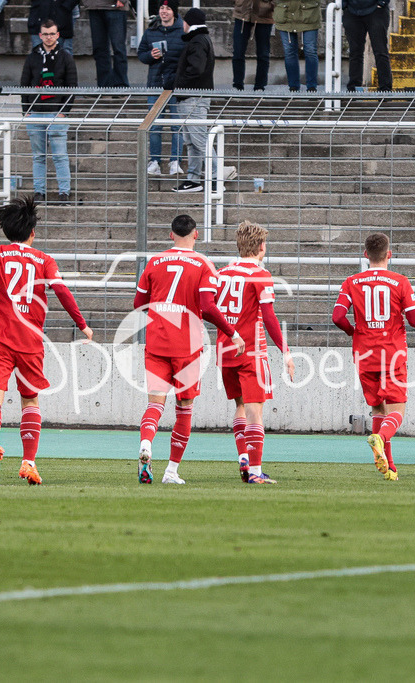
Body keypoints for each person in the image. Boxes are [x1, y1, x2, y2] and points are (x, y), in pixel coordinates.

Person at [0, 195, 93, 486]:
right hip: (30, 342)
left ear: (7, 231)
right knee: (30, 400)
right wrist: (82, 324)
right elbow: (62, 292)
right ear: (32, 232)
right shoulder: (44, 260)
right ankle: (28, 462)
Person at [134, 214, 245, 485]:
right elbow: (208, 306)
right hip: (187, 345)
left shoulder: (154, 262)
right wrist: (232, 333)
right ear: (196, 235)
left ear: (170, 235)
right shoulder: (204, 264)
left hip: (157, 342)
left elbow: (139, 303)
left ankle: (146, 444)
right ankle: (171, 471)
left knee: (155, 403)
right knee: (184, 407)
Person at [332, 233, 415, 481]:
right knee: (397, 409)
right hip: (392, 353)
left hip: (365, 354)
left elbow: (337, 316)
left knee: (377, 409)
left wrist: (355, 332)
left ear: (365, 256)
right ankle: (380, 439)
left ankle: (390, 467)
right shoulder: (400, 281)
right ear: (389, 255)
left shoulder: (352, 282)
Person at [215, 221, 295, 484]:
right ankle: (256, 472)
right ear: (261, 247)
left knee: (239, 406)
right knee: (255, 411)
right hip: (251, 350)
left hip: (225, 350)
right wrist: (285, 350)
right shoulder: (261, 274)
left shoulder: (222, 273)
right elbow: (269, 317)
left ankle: (244, 458)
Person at [21, 20, 77, 206]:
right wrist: (26, 111)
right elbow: (24, 84)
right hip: (35, 113)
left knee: (60, 156)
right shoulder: (32, 57)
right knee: (38, 156)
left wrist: (64, 112)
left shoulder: (66, 56)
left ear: (58, 35)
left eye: (52, 33)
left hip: (56, 113)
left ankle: (64, 193)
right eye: (45, 34)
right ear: (40, 35)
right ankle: (39, 192)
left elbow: (72, 87)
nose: (49, 37)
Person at [170, 8, 219, 193]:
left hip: (193, 97)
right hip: (192, 97)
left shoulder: (198, 40)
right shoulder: (200, 39)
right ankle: (193, 179)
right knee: (192, 140)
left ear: (189, 22)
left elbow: (196, 69)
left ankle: (216, 177)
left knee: (199, 140)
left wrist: (178, 84)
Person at [138, 0, 185, 177]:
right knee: (154, 126)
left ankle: (175, 161)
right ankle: (155, 160)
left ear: (174, 11)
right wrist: (150, 55)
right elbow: (141, 54)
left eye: (168, 8)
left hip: (176, 87)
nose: (164, 11)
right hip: (155, 84)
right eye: (161, 8)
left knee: (176, 126)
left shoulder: (183, 30)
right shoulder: (151, 30)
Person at [341, 0, 392, 92]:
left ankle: (385, 89)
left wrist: (382, 3)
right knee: (355, 52)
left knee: (380, 51)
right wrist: (344, 5)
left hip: (376, 10)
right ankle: (354, 88)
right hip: (352, 11)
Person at [274, 0, 320, 92]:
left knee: (310, 50)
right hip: (285, 13)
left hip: (309, 13)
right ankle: (293, 86)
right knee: (289, 51)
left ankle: (312, 87)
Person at [83, 0, 130, 87]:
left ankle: (121, 86)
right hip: (94, 6)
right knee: (99, 49)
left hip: (116, 7)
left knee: (118, 48)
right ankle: (104, 86)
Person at [232, 0, 274, 90]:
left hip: (264, 16)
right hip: (242, 14)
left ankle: (260, 85)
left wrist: (270, 5)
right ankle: (237, 85)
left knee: (263, 54)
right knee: (238, 51)